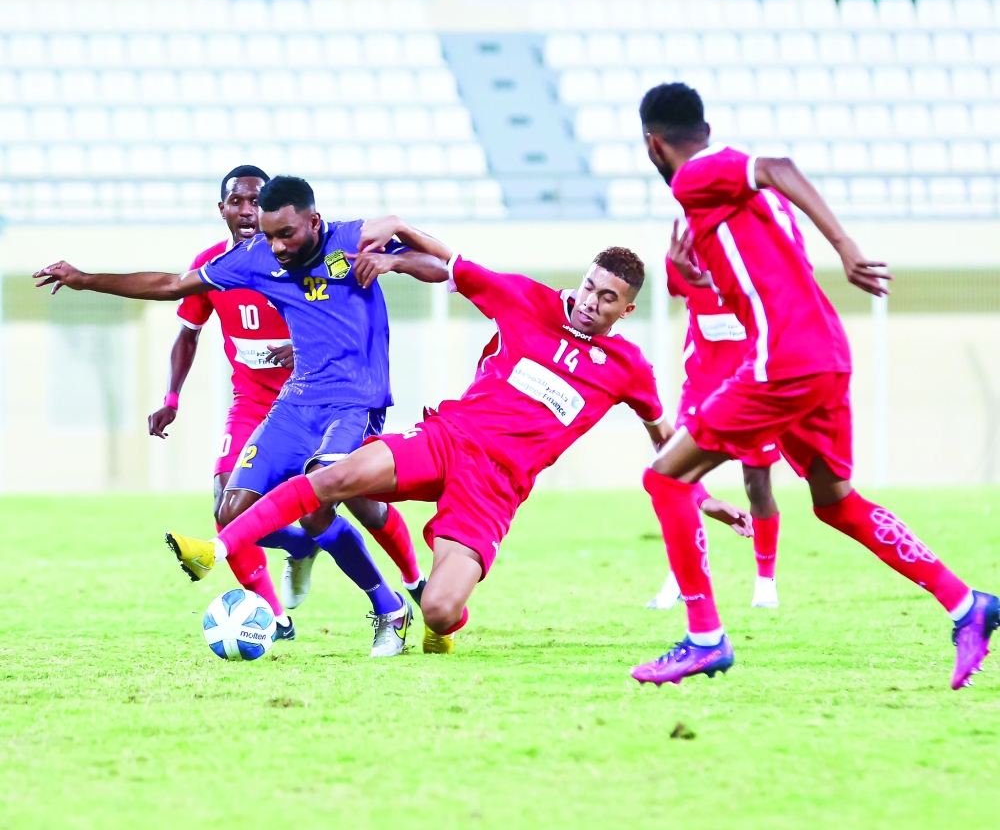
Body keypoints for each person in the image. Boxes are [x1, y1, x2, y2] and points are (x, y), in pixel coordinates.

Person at [161, 231, 754, 654]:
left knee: (443, 611)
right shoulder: (531, 302)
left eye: (607, 299)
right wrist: (395, 247)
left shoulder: (628, 368)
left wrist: (704, 500)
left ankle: (432, 617)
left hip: (494, 490)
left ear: (625, 311)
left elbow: (666, 444)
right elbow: (452, 263)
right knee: (331, 478)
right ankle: (216, 547)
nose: (590, 303)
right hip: (447, 438)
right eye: (589, 287)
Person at [631, 82, 998, 691]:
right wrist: (704, 276)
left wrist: (847, 248)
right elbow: (764, 275)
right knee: (835, 502)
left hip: (784, 362)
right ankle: (967, 606)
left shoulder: (697, 177)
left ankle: (703, 638)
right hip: (825, 356)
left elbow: (778, 167)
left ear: (654, 144)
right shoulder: (737, 207)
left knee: (665, 476)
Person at [34, 177, 442, 657]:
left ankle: (389, 606)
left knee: (321, 495)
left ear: (313, 221)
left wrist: (395, 256)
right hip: (295, 403)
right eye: (269, 235)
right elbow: (171, 285)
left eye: (286, 234)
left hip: (355, 403)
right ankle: (315, 562)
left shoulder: (352, 239)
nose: (276, 246)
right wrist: (86, 280)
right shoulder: (256, 258)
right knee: (231, 510)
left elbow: (440, 266)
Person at [147, 164, 299, 639]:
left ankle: (405, 582)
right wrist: (172, 397)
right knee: (224, 503)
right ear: (223, 209)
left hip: (308, 401)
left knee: (340, 507)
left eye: (257, 201)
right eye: (238, 201)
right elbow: (187, 334)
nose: (248, 210)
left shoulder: (298, 259)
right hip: (251, 402)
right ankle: (276, 618)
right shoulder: (213, 266)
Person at [647, 222, 781, 612]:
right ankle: (679, 578)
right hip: (702, 391)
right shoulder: (685, 261)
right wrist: (681, 264)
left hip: (751, 391)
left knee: (757, 485)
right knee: (673, 475)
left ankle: (765, 582)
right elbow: (678, 285)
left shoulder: (758, 267)